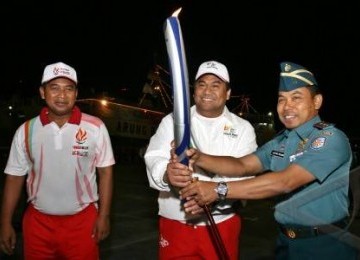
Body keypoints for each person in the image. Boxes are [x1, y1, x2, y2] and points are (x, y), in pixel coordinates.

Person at [176, 61, 359, 259]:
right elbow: (243, 165)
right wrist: (199, 156)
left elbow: (284, 182)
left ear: (316, 102)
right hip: (285, 242)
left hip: (325, 245)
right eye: (282, 99)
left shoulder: (330, 138)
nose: (287, 106)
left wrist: (219, 190)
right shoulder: (281, 141)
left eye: (296, 98)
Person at [0, 61, 115, 259]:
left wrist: (104, 216)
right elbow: (14, 178)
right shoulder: (26, 130)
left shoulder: (95, 127)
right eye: (54, 88)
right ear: (42, 92)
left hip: (82, 222)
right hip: (37, 224)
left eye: (68, 89)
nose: (62, 95)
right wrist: (4, 223)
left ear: (76, 94)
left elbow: (105, 172)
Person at [144, 60, 257, 259]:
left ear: (228, 93)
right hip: (176, 222)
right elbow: (154, 156)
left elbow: (246, 173)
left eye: (216, 85)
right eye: (202, 84)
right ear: (194, 90)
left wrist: (214, 197)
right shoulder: (172, 120)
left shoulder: (243, 128)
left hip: (222, 223)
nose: (207, 90)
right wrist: (166, 173)